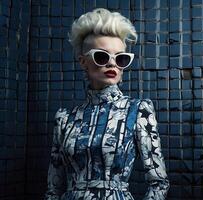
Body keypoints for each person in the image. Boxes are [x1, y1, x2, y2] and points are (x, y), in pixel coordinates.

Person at [44, 8, 169, 200]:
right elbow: (53, 189)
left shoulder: (137, 111)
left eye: (121, 58)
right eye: (102, 56)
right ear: (83, 61)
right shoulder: (64, 118)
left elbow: (159, 183)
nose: (112, 64)